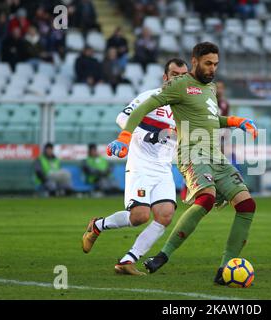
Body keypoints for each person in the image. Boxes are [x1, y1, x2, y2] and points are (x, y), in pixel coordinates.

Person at [106, 42, 258, 285]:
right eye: (208, 63)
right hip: (192, 153)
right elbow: (145, 107)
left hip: (215, 156)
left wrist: (236, 121)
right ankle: (163, 255)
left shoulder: (209, 88)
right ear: (195, 61)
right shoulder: (179, 85)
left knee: (247, 205)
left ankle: (224, 269)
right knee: (206, 199)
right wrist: (124, 137)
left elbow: (209, 119)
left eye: (216, 64)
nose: (213, 69)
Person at [82, 58, 189, 275]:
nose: (179, 78)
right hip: (141, 165)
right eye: (175, 74)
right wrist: (145, 134)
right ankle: (97, 226)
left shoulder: (185, 106)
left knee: (165, 215)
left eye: (183, 75)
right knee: (139, 216)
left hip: (164, 169)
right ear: (166, 77)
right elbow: (122, 118)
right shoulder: (150, 97)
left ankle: (127, 260)